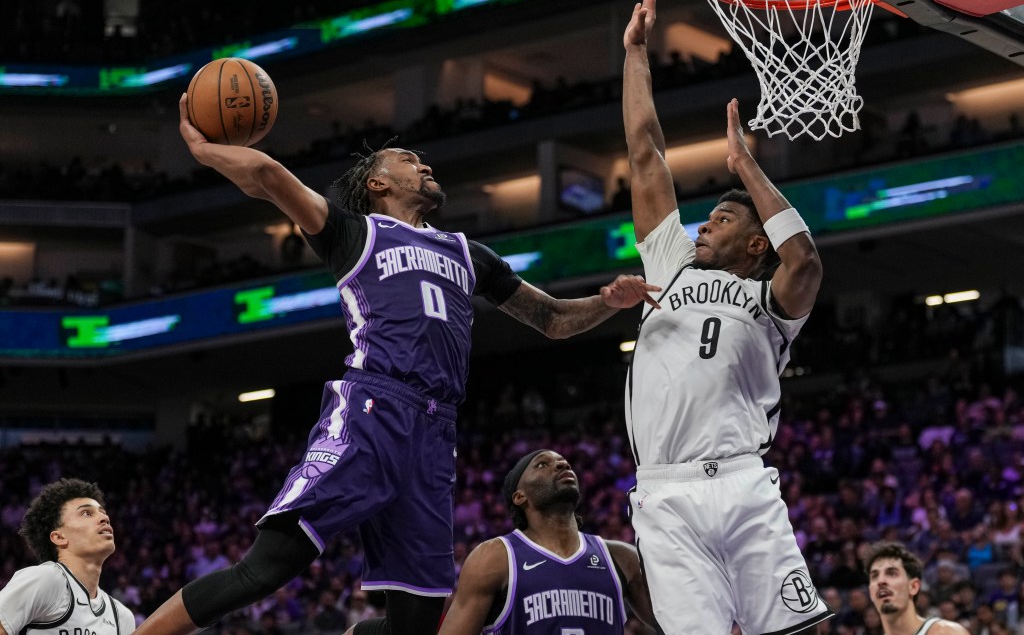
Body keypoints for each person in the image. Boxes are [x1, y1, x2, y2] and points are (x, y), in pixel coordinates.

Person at [134, 97, 660, 635]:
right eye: (408, 160)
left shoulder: (467, 254)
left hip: (435, 434)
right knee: (266, 569)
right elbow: (267, 175)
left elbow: (549, 318)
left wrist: (608, 304)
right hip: (371, 410)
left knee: (416, 619)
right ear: (377, 185)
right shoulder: (352, 233)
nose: (424, 166)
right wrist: (206, 149)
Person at [621, 0, 829, 633]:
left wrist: (746, 169)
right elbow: (646, 152)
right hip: (663, 490)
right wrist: (634, 54)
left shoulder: (770, 302)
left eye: (719, 220)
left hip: (743, 482)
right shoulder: (668, 267)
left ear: (753, 242)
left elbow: (808, 263)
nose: (701, 228)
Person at [438, 450, 655, 634]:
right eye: (543, 464)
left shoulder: (622, 558)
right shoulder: (495, 558)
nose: (561, 464)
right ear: (519, 496)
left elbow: (677, 624)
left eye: (565, 463)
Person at [0, 478, 135, 635]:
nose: (105, 518)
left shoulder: (122, 617)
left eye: (102, 512)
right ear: (59, 537)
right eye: (87, 513)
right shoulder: (46, 579)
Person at [866, 542, 969, 634]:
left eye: (892, 573)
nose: (881, 581)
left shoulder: (946, 632)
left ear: (914, 586)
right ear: (871, 592)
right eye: (874, 576)